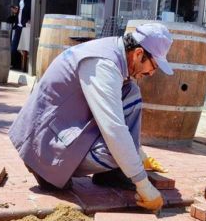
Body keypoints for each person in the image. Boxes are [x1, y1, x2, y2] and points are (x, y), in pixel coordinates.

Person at [9, 23, 175, 211]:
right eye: (154, 66)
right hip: (43, 143)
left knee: (131, 93)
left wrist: (139, 154)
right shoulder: (103, 65)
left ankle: (111, 173)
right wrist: (144, 185)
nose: (152, 73)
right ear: (138, 54)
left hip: (65, 125)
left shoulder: (115, 53)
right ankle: (48, 168)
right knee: (117, 149)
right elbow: (114, 129)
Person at [11, 0, 31, 70]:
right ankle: (15, 66)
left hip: (26, 27)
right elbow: (21, 11)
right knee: (14, 48)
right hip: (18, 26)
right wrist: (16, 11)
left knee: (24, 48)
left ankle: (24, 68)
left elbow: (30, 11)